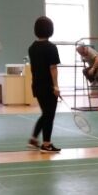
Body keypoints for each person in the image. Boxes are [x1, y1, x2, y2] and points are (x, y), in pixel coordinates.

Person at [28, 16, 61, 153]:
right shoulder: (51, 47)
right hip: (48, 87)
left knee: (46, 113)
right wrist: (56, 86)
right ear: (50, 30)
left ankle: (33, 139)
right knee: (49, 115)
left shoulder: (32, 48)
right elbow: (53, 68)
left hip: (36, 86)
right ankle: (46, 144)